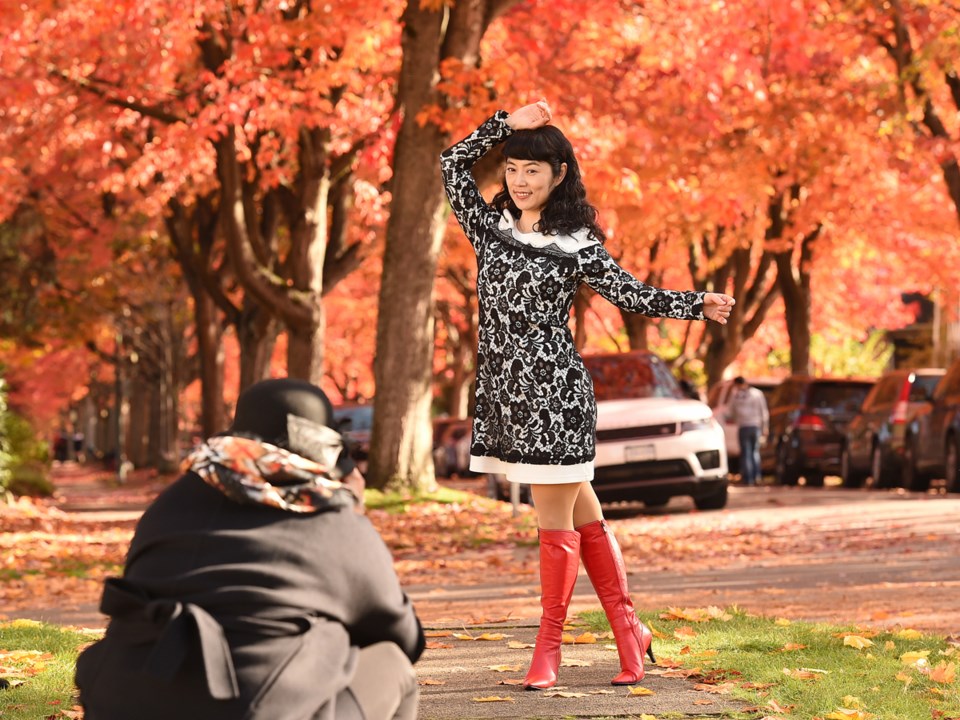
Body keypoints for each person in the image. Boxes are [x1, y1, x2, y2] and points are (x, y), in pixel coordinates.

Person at [440, 100, 735, 690]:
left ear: (559, 176)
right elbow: (452, 164)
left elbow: (631, 293)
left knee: (553, 519)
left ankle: (549, 648)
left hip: (556, 395)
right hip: (504, 393)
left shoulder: (576, 243)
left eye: (534, 171)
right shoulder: (488, 226)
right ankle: (631, 632)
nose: (521, 181)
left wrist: (693, 303)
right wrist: (507, 123)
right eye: (513, 169)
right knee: (584, 512)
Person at [75, 378, 425, 720]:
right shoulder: (330, 518)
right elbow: (404, 637)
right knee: (391, 663)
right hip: (255, 705)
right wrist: (352, 512)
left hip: (127, 700)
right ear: (324, 454)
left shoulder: (168, 504)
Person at [726, 376, 769, 486]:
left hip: (744, 426)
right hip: (755, 426)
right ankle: (756, 476)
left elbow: (731, 412)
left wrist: (737, 420)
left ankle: (748, 478)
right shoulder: (757, 394)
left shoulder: (735, 396)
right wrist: (765, 426)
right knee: (754, 452)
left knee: (746, 453)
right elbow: (764, 412)